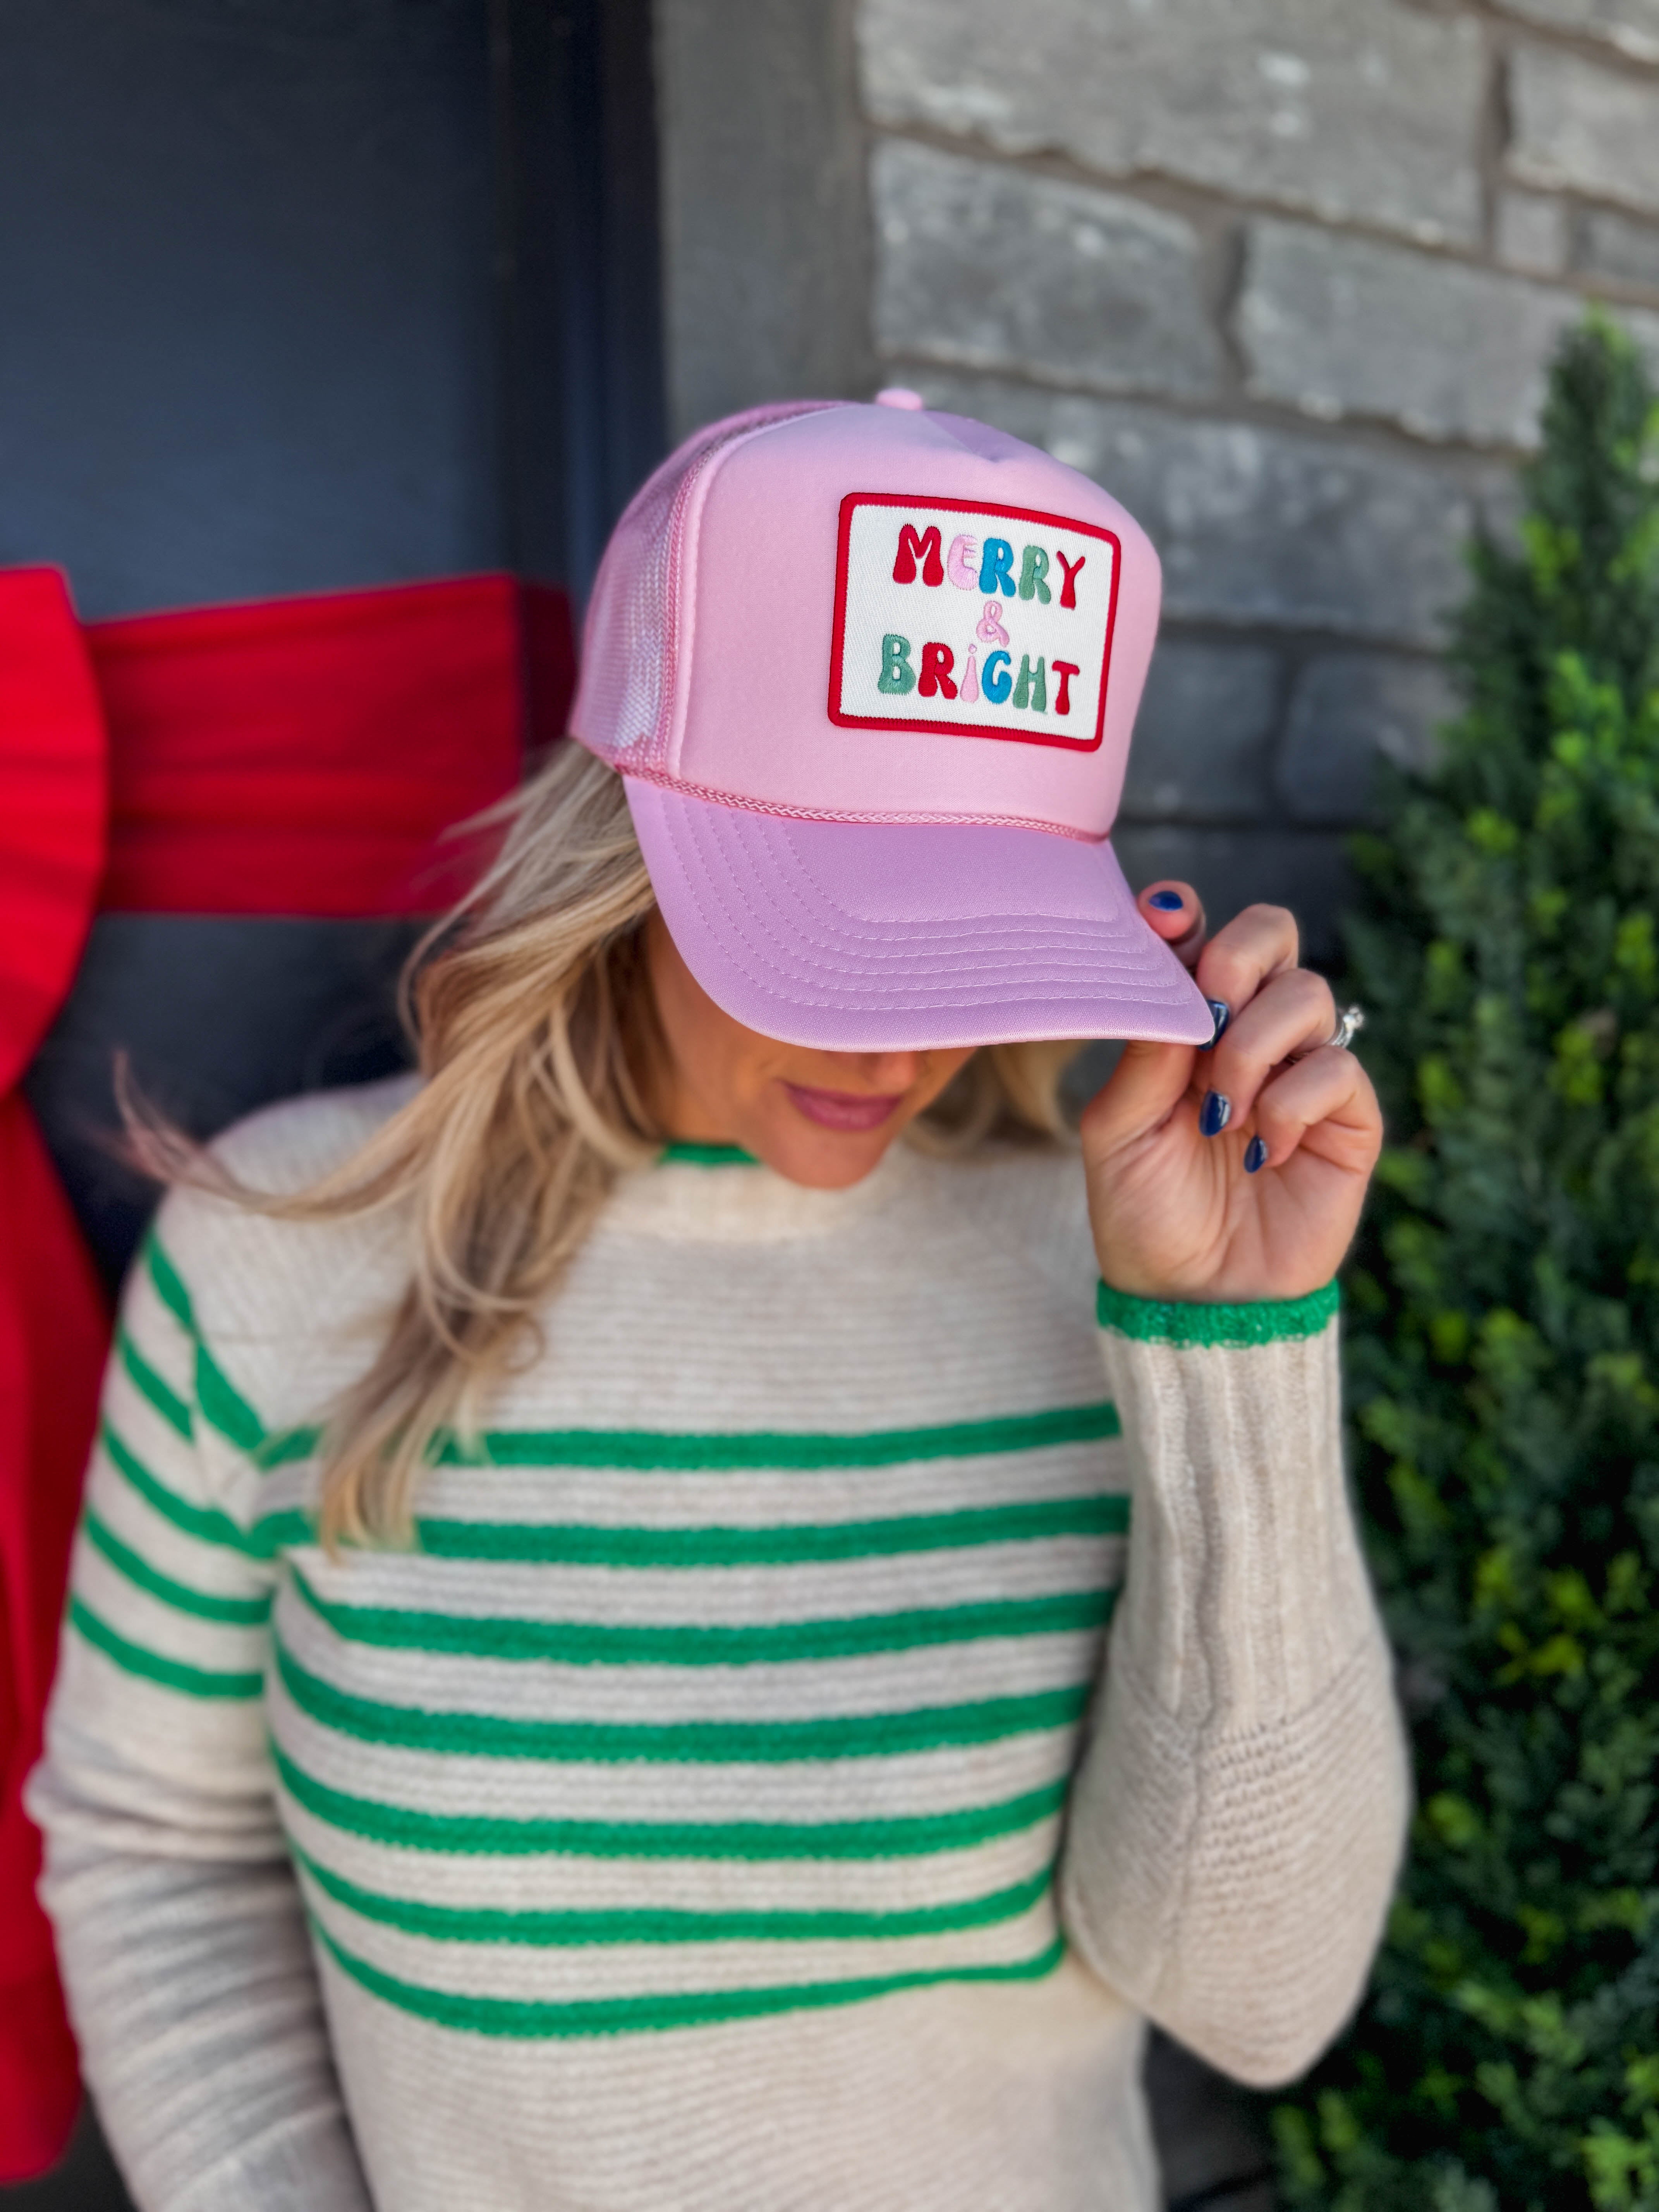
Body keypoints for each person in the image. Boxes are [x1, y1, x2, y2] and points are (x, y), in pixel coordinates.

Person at [29, 394, 1408, 2212]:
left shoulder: (1101, 1275)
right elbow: (157, 1846)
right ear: (619, 854)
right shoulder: (282, 1262)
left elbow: (1261, 2003)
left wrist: (1232, 1345)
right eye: (830, 936)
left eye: (974, 937)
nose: (905, 1049)